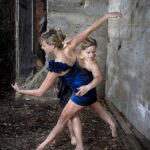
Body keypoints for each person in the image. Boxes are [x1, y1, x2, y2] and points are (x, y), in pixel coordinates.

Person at [12, 12, 122, 150]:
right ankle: (112, 127)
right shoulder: (71, 45)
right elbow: (89, 30)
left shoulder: (57, 66)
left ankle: (42, 146)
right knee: (95, 107)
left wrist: (21, 90)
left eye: (44, 45)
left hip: (81, 93)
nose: (42, 47)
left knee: (62, 120)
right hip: (89, 85)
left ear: (52, 46)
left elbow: (40, 92)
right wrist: (106, 16)